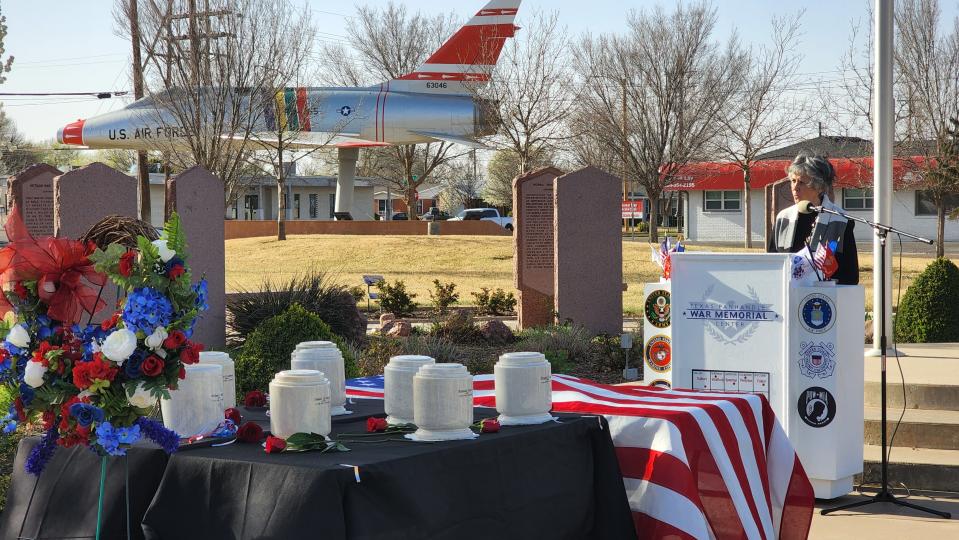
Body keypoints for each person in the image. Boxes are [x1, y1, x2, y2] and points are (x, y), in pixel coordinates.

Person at [767, 152, 859, 285]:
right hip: (787, 297)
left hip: (825, 298)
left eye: (802, 182)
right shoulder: (783, 218)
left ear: (819, 187)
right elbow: (771, 266)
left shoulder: (841, 220)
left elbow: (850, 277)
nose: (795, 187)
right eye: (793, 181)